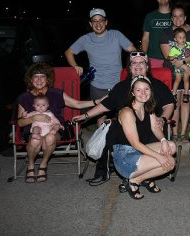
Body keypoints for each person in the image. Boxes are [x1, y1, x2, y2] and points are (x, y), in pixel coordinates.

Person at [73, 51, 175, 183]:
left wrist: (163, 119)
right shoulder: (121, 87)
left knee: (158, 132)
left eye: (142, 62)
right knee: (112, 127)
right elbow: (106, 104)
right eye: (134, 63)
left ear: (147, 66)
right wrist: (86, 115)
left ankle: (143, 174)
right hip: (126, 132)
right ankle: (103, 169)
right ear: (129, 67)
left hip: (151, 127)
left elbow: (169, 104)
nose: (138, 65)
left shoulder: (157, 85)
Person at [17, 63, 100, 183]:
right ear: (31, 79)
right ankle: (30, 164)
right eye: (36, 76)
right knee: (35, 140)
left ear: (47, 79)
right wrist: (34, 118)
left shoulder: (56, 93)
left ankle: (43, 164)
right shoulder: (24, 97)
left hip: (55, 128)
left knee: (50, 137)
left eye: (42, 76)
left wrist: (98, 101)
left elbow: (77, 104)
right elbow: (19, 123)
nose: (39, 80)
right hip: (32, 130)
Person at [65, 8, 136, 126]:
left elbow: (133, 50)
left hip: (118, 84)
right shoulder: (86, 39)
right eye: (94, 21)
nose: (98, 24)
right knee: (100, 116)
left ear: (106, 22)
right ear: (90, 24)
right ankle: (101, 143)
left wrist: (137, 63)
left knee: (123, 114)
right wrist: (75, 65)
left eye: (101, 20)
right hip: (97, 85)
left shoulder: (116, 35)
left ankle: (123, 141)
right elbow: (68, 52)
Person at [110, 76, 176, 200]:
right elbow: (135, 143)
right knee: (170, 162)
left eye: (146, 89)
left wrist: (163, 141)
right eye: (139, 90)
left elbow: (156, 128)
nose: (143, 93)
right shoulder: (127, 112)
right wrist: (158, 156)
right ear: (132, 92)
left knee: (171, 146)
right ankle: (134, 180)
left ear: (151, 91)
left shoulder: (148, 107)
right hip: (124, 156)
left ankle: (139, 179)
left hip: (137, 151)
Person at [160, 4, 190, 142]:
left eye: (181, 15)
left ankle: (183, 133)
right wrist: (184, 66)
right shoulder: (166, 33)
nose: (178, 18)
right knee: (174, 103)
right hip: (172, 74)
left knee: (186, 102)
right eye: (175, 16)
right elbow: (167, 55)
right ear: (172, 18)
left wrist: (185, 66)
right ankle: (174, 132)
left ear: (185, 17)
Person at [141, 0, 173, 68]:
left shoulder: (176, 15)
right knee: (154, 81)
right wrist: (143, 57)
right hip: (153, 59)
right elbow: (145, 39)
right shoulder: (150, 16)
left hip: (173, 59)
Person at [168, 27, 190, 102]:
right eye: (180, 37)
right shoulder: (174, 49)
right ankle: (173, 94)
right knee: (177, 79)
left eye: (184, 37)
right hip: (178, 66)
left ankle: (186, 94)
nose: (183, 39)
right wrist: (171, 57)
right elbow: (170, 57)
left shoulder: (188, 45)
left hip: (188, 65)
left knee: (186, 79)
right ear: (175, 39)